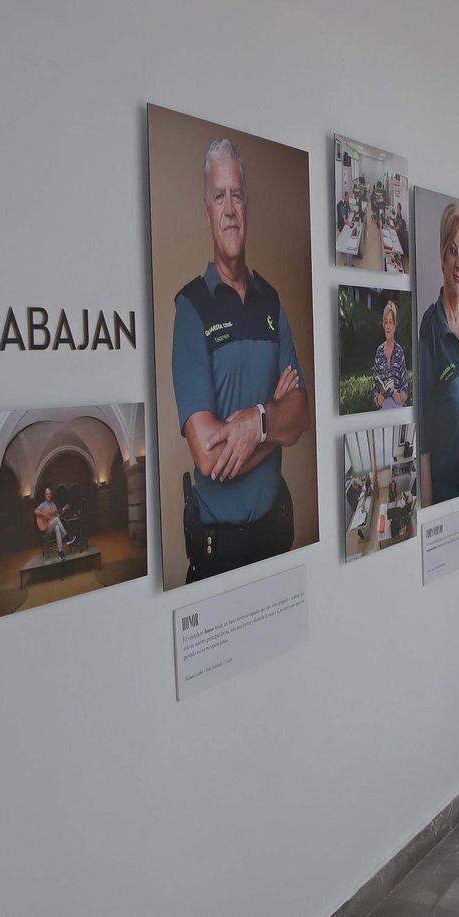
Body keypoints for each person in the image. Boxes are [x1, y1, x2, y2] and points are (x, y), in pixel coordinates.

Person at [172, 137, 311, 583]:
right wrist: (272, 428)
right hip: (220, 554)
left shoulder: (271, 302)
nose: (229, 208)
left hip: (278, 539)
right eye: (219, 196)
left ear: (247, 207)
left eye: (236, 195)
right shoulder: (191, 309)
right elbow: (210, 457)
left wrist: (256, 421)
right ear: (207, 210)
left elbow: (302, 414)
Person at [418, 202, 459, 505]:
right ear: (441, 258)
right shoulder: (430, 328)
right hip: (448, 498)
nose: (458, 262)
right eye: (451, 251)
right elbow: (425, 430)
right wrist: (429, 506)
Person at [371, 299, 410, 409]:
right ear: (383, 324)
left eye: (391, 322)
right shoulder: (379, 351)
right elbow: (374, 387)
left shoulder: (399, 351)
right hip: (384, 408)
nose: (388, 326)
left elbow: (405, 387)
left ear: (395, 325)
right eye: (386, 322)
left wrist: (400, 396)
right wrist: (378, 398)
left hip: (397, 407)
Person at [34, 485, 68, 559]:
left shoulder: (53, 505)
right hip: (45, 528)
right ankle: (66, 535)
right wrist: (45, 515)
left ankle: (60, 552)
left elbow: (57, 517)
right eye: (47, 494)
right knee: (56, 522)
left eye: (49, 493)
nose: (48, 495)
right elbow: (35, 511)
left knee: (57, 527)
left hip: (52, 526)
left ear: (51, 494)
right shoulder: (43, 505)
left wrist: (63, 510)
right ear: (45, 495)